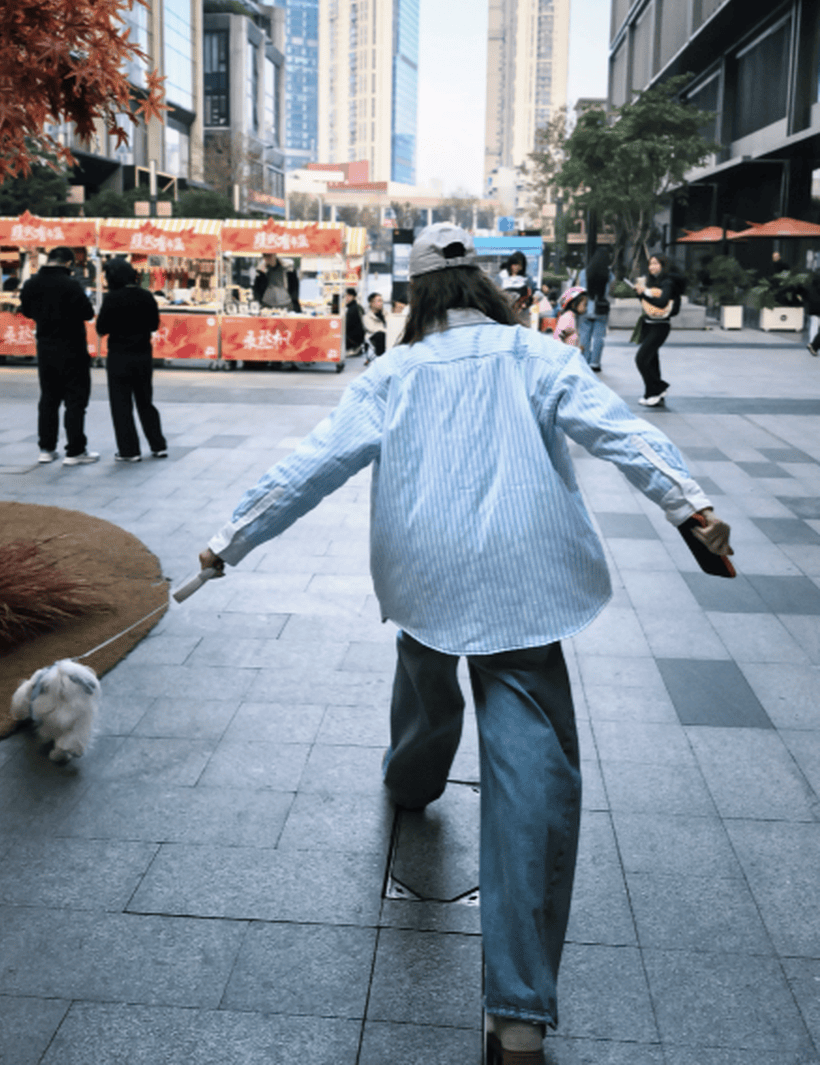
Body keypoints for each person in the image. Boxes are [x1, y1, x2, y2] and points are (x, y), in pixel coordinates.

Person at [195, 222, 733, 1065]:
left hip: (426, 570)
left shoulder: (392, 373)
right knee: (530, 781)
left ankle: (411, 778)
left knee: (424, 669)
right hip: (525, 578)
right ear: (483, 287)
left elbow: (313, 463)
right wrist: (688, 508)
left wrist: (229, 542)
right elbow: (618, 431)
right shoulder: (538, 355)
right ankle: (516, 1015)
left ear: (416, 296)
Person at [19, 245, 98, 465]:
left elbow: (26, 310)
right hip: (72, 347)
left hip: (45, 347)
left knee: (48, 399)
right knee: (75, 400)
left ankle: (46, 448)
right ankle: (75, 450)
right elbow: (87, 312)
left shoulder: (31, 283)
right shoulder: (71, 285)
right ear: (68, 263)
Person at [95, 258, 167, 462]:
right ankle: (158, 445)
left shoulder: (112, 299)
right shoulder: (146, 296)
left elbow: (102, 328)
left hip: (119, 356)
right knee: (146, 402)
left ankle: (129, 450)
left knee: (121, 404)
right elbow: (154, 325)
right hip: (143, 354)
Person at [634, 251, 683, 407]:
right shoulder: (653, 281)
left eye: (655, 263)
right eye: (650, 264)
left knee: (641, 359)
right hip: (649, 324)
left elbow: (661, 303)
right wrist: (640, 293)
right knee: (652, 361)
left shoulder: (667, 282)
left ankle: (658, 388)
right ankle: (652, 394)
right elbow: (648, 302)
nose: (652, 267)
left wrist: (644, 295)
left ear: (663, 265)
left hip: (660, 327)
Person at [580, 246, 612, 371]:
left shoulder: (584, 272)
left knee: (584, 335)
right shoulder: (609, 274)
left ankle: (584, 361)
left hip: (585, 307)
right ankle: (595, 363)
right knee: (599, 337)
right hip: (601, 309)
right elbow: (611, 291)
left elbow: (579, 289)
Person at [362, 292, 387, 357]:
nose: (381, 303)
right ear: (371, 303)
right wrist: (386, 331)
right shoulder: (366, 317)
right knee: (380, 335)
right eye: (379, 301)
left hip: (387, 336)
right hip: (374, 338)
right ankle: (381, 358)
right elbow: (373, 329)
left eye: (382, 301)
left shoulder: (386, 314)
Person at [344, 287, 366, 355]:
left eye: (349, 296)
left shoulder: (352, 309)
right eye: (346, 296)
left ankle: (354, 347)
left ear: (354, 297)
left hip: (354, 339)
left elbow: (347, 326)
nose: (347, 297)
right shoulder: (358, 306)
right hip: (360, 338)